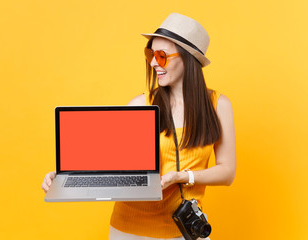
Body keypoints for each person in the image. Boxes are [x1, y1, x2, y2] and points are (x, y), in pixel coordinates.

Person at [41, 13, 236, 240]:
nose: (153, 62)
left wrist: (182, 177)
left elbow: (227, 172)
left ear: (187, 59)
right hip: (130, 231)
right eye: (151, 54)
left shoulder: (218, 105)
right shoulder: (140, 105)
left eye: (161, 56)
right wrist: (64, 174)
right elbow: (106, 160)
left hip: (185, 229)